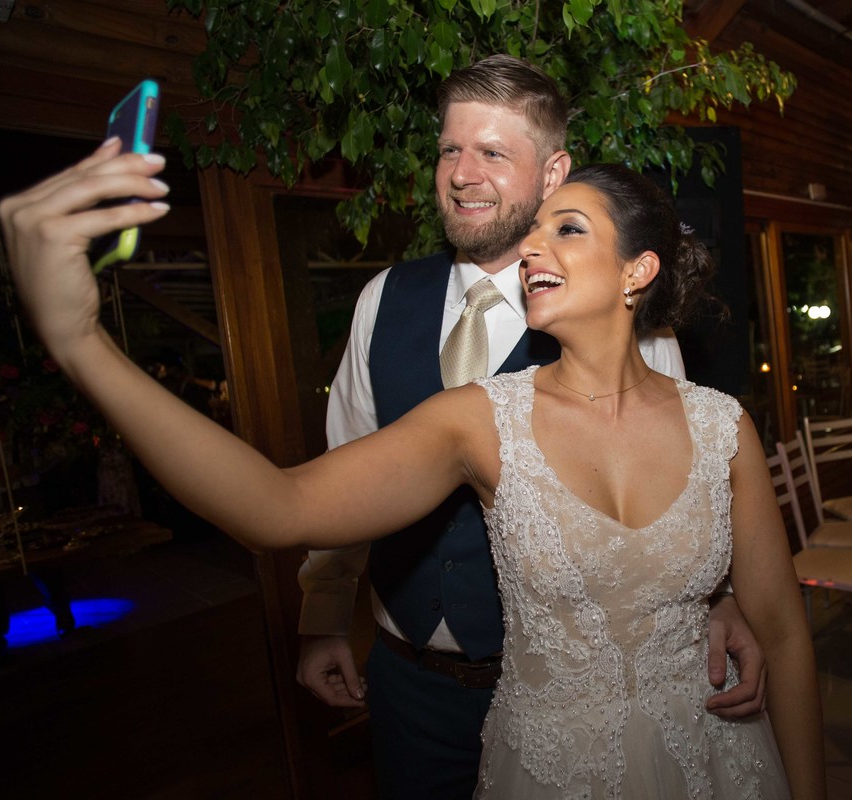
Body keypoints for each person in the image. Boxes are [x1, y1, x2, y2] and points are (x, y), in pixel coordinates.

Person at [0, 144, 827, 798]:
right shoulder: (481, 419)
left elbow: (784, 635)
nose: (533, 246)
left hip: (716, 762)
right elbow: (277, 506)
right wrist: (83, 344)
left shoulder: (723, 427)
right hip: (548, 776)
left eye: (567, 228)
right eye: (533, 231)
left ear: (637, 273)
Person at [294, 55, 768, 797]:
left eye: (491, 152)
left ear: (553, 173)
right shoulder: (383, 300)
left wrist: (721, 598)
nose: (461, 173)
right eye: (450, 149)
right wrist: (323, 616)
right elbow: (347, 464)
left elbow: (686, 486)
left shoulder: (626, 321)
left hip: (577, 705)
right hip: (410, 682)